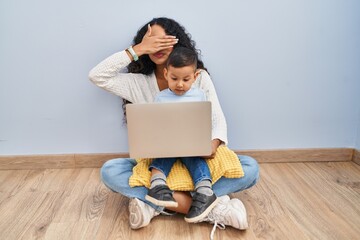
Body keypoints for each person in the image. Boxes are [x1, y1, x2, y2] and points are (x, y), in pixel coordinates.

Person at [89, 17, 259, 231]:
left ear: (176, 42)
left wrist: (212, 145)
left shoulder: (198, 78)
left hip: (197, 161)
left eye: (162, 41)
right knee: (110, 171)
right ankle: (210, 208)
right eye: (151, 42)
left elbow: (217, 118)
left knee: (250, 168)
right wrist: (137, 49)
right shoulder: (138, 83)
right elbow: (96, 76)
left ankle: (156, 204)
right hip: (159, 165)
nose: (156, 46)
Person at [145, 47, 218, 223]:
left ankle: (205, 191)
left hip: (192, 144)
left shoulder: (200, 95)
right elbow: (156, 124)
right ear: (166, 73)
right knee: (163, 156)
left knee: (195, 159)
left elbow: (205, 122)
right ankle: (158, 186)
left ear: (195, 76)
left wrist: (203, 141)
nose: (179, 84)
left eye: (186, 79)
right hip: (168, 144)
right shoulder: (161, 98)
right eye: (174, 78)